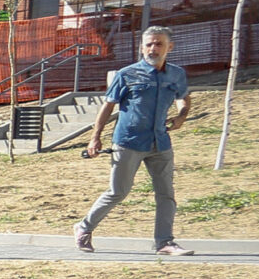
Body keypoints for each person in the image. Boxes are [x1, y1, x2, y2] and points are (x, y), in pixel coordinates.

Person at [77, 24, 195, 256]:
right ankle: (84, 227)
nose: (153, 49)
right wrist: (95, 138)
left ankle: (165, 243)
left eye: (158, 44)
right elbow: (108, 106)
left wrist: (182, 116)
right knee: (118, 192)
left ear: (170, 47)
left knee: (166, 194)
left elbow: (183, 97)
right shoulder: (127, 74)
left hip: (160, 142)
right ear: (142, 48)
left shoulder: (176, 74)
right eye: (148, 44)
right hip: (129, 142)